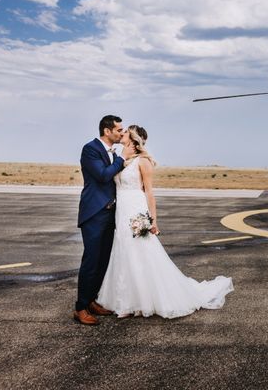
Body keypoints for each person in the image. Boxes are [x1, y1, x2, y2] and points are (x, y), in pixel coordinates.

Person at [97, 125, 233, 319]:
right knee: (123, 249)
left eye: (125, 132)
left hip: (136, 208)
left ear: (134, 139)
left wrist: (153, 220)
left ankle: (142, 301)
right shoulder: (121, 159)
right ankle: (125, 300)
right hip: (121, 209)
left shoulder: (143, 161)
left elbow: (149, 192)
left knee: (140, 250)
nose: (121, 134)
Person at [74, 115, 135, 325]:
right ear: (107, 131)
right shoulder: (90, 149)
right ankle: (80, 307)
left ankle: (91, 300)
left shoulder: (112, 152)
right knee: (91, 261)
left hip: (110, 213)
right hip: (94, 213)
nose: (121, 132)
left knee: (102, 261)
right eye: (118, 130)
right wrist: (121, 159)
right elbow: (102, 175)